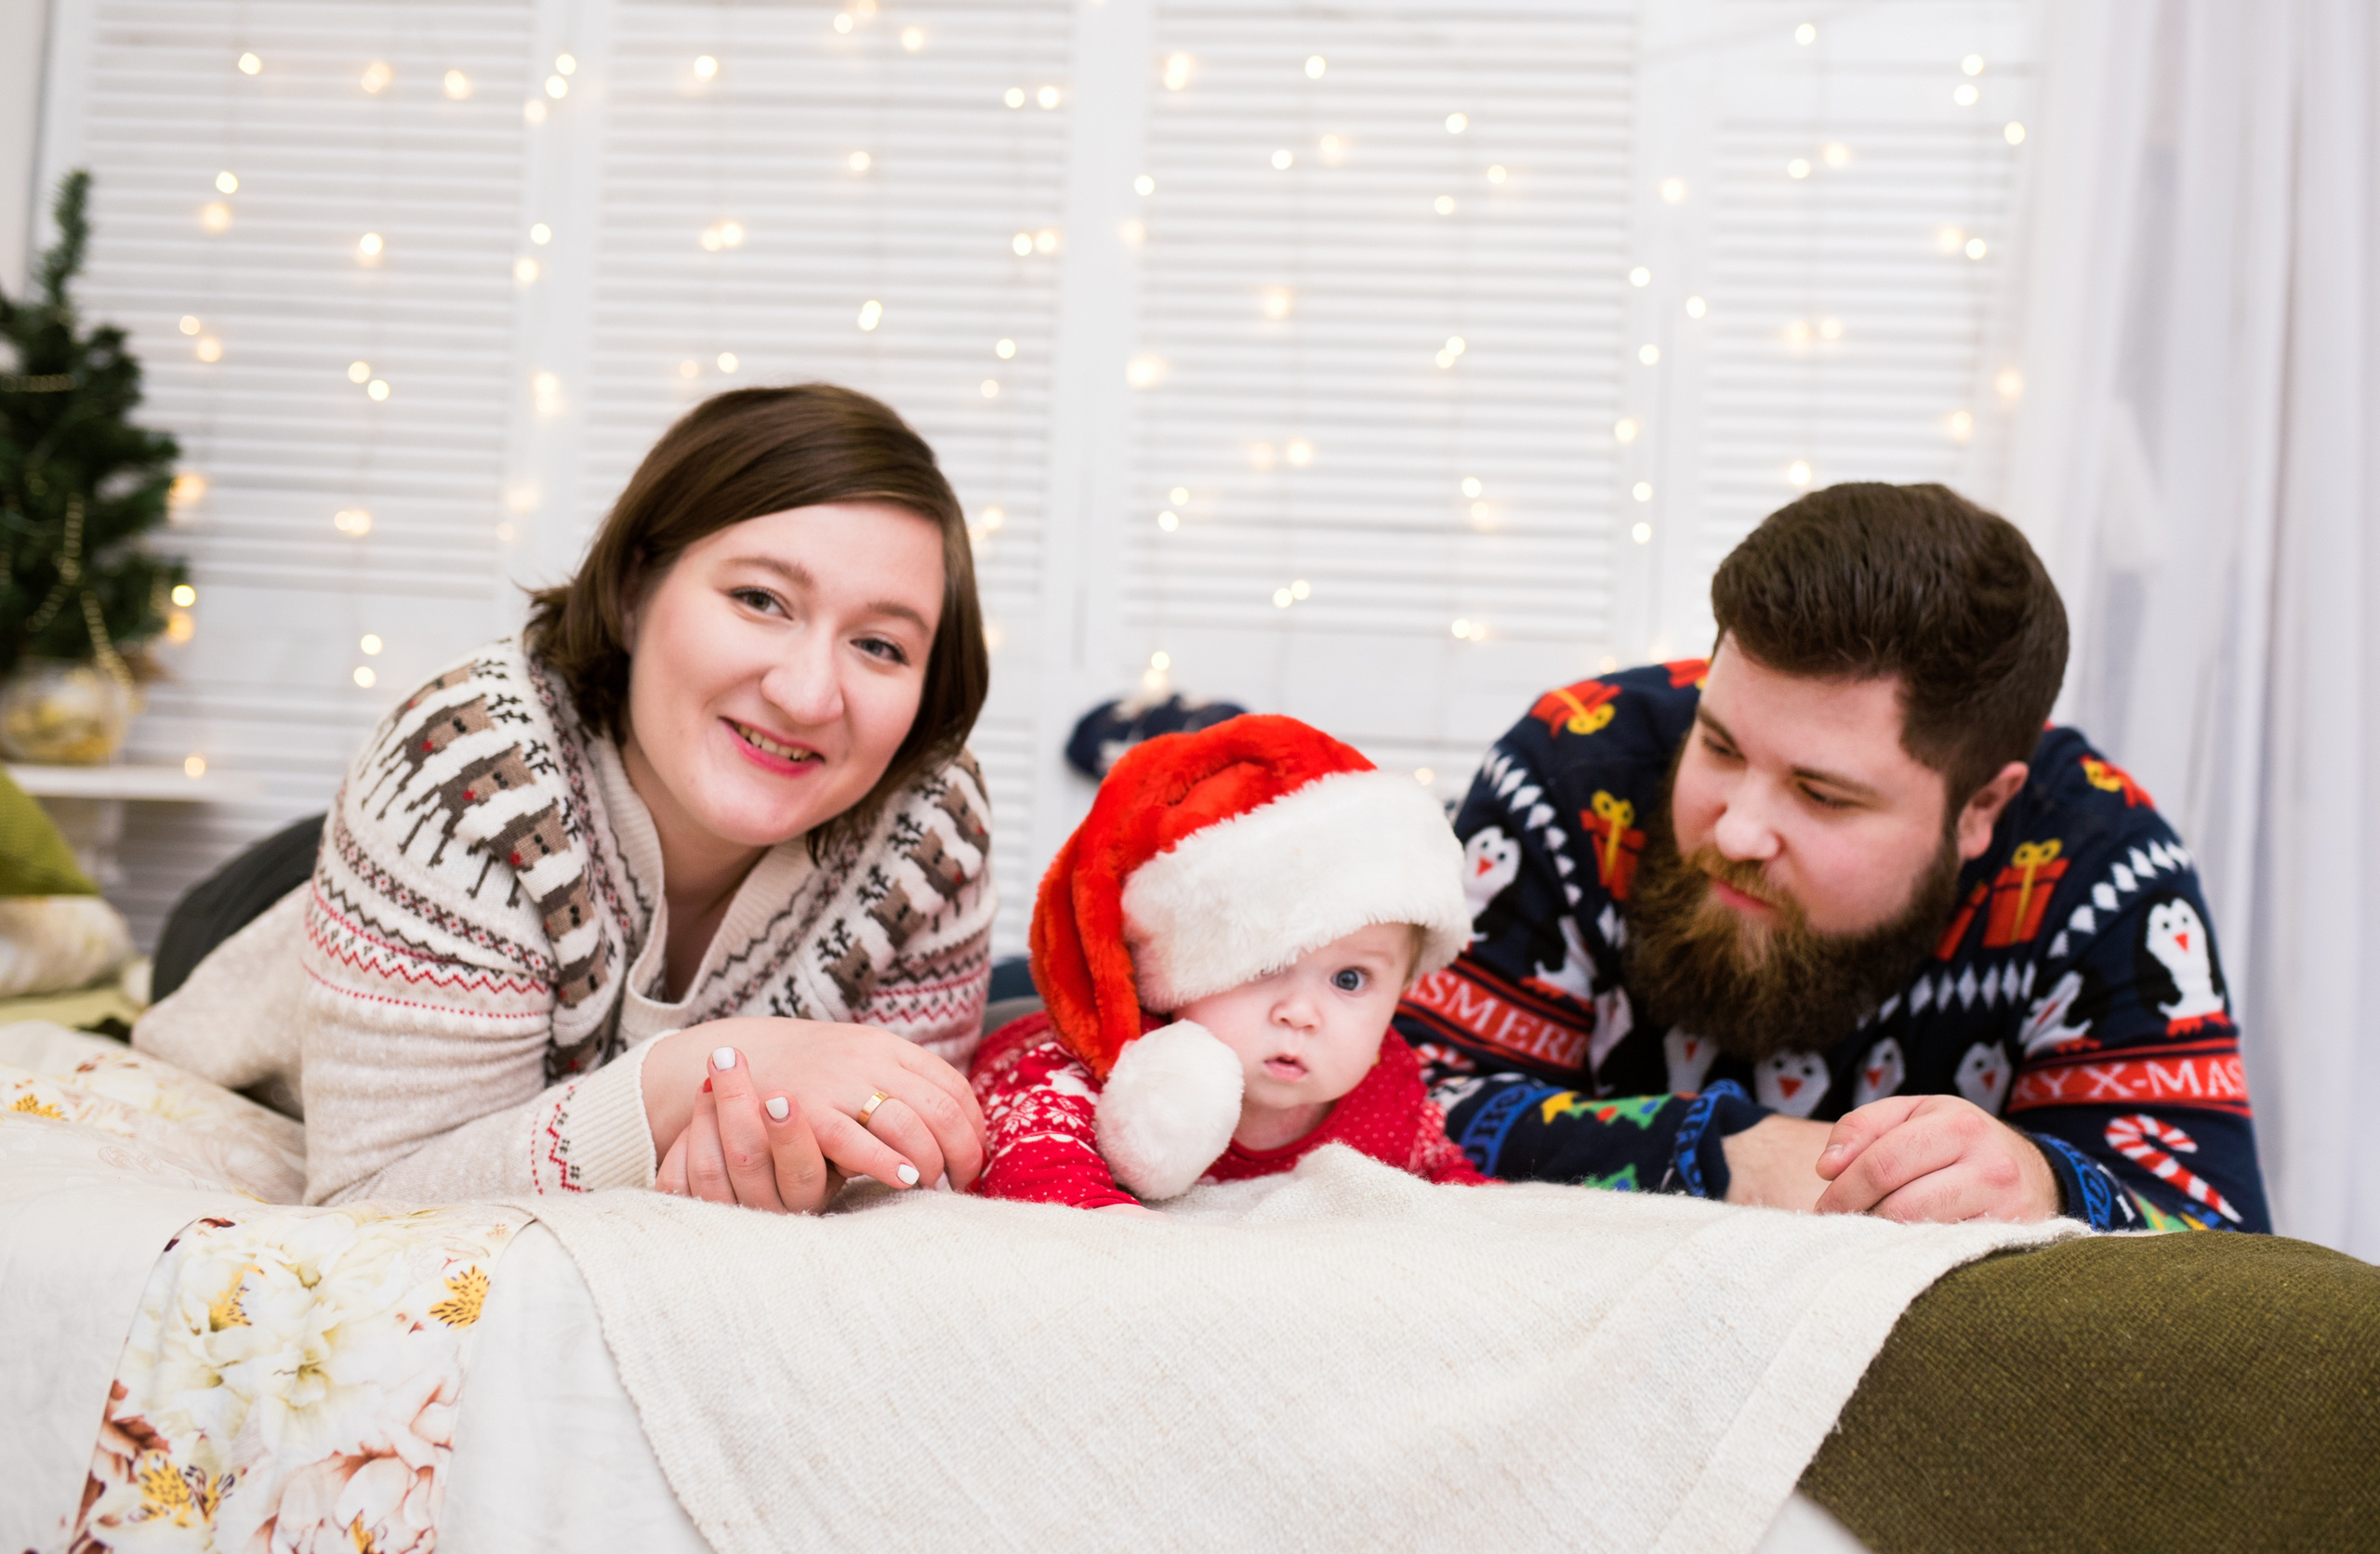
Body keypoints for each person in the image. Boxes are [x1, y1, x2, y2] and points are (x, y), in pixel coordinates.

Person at [135, 385, 997, 1212]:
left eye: (880, 645)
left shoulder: (933, 826)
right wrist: (690, 1077)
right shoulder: (461, 769)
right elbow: (379, 1197)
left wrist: (787, 1165)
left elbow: (906, 1157)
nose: (810, 695)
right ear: (631, 592)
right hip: (288, 923)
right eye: (759, 599)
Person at [1395, 482, 2271, 1232]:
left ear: (1982, 810)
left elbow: (2217, 1243)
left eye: (1822, 795)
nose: (1737, 831)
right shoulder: (1572, 772)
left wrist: (2043, 1186)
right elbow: (1385, 1112)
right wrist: (1735, 1155)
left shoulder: (2101, 869)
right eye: (1721, 746)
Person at [968, 714, 1486, 1212]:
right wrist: (1104, 1215)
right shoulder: (1110, 1069)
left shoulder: (1387, 1093)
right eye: (1260, 966)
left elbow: (1451, 1181)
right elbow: (1030, 1150)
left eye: (1349, 979)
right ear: (1177, 974)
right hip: (1016, 1016)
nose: (1300, 1013)